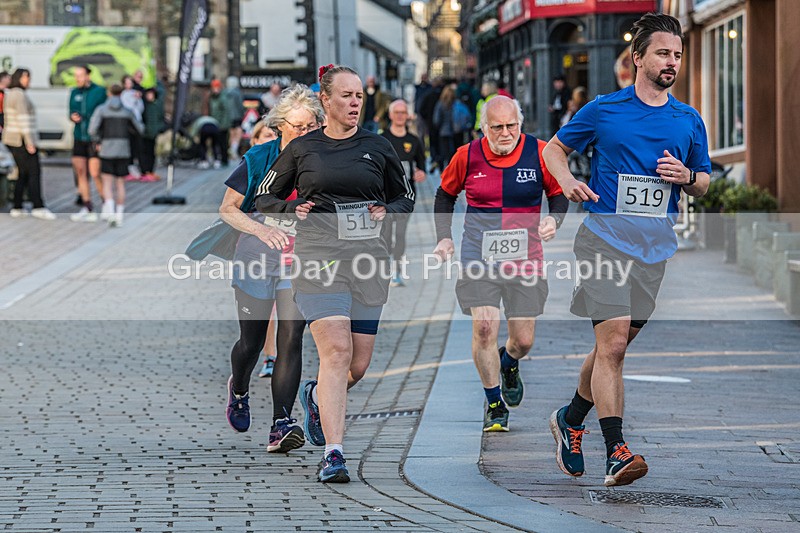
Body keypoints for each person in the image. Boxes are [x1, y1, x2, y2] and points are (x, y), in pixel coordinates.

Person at [542, 12, 711, 487]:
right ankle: (616, 450)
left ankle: (570, 419)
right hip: (604, 241)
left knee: (610, 349)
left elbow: (703, 180)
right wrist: (569, 181)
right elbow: (553, 150)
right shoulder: (604, 109)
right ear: (637, 57)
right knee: (613, 345)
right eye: (662, 52)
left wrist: (688, 178)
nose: (671, 62)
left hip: (653, 250)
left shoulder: (688, 119)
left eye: (677, 55)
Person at [254, 64, 414, 483]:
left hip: (367, 263)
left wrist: (388, 210)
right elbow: (265, 197)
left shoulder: (378, 147)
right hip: (319, 261)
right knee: (337, 351)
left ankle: (314, 395)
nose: (355, 102)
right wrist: (293, 208)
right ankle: (334, 453)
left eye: (359, 95)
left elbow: (405, 197)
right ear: (325, 100)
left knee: (355, 367)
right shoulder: (303, 149)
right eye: (346, 95)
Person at [433, 96, 567, 432]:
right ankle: (494, 403)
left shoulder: (540, 152)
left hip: (526, 260)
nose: (505, 133)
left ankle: (509, 362)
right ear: (484, 128)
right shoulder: (467, 155)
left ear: (520, 124)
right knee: (484, 327)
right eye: (497, 127)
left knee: (523, 341)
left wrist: (555, 221)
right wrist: (444, 237)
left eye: (511, 126)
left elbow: (559, 194)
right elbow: (444, 195)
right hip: (480, 256)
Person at [220, 84, 325, 453]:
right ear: (280, 126)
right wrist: (262, 228)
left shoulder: (322, 160)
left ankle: (282, 423)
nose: (305, 133)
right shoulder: (259, 157)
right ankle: (239, 387)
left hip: (299, 259)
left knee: (291, 338)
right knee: (251, 342)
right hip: (255, 254)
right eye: (297, 126)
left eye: (311, 126)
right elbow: (227, 209)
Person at [381, 99, 426, 287]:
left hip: (406, 197)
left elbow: (422, 167)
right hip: (384, 197)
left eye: (403, 112)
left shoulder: (413, 141)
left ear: (408, 116)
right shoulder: (382, 139)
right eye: (397, 112)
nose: (400, 116)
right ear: (390, 115)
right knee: (385, 234)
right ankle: (385, 269)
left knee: (400, 234)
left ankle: (397, 271)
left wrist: (419, 173)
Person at [1, 69, 56, 220]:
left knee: (22, 173)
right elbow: (23, 119)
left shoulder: (11, 93)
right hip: (21, 140)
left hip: (14, 139)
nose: (29, 80)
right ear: (20, 78)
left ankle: (17, 205)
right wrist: (30, 141)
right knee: (33, 172)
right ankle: (38, 205)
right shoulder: (19, 94)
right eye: (27, 77)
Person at [88, 83, 145, 227]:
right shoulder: (127, 111)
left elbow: (92, 130)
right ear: (121, 94)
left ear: (109, 93)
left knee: (107, 182)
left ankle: (111, 212)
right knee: (120, 184)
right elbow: (140, 128)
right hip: (123, 150)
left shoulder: (101, 110)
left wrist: (99, 139)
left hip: (106, 150)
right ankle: (119, 215)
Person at [69, 65, 107, 222]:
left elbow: (104, 116)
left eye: (80, 75)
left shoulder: (99, 92)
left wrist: (101, 138)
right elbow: (70, 111)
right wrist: (73, 117)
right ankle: (87, 206)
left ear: (88, 76)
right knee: (80, 172)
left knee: (95, 173)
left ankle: (107, 203)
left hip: (94, 138)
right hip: (79, 137)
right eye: (76, 76)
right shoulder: (74, 92)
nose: (78, 79)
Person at [120, 75, 144, 180]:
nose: (129, 85)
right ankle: (128, 168)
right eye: (127, 83)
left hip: (137, 122)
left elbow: (141, 108)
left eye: (131, 82)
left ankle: (135, 167)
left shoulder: (136, 94)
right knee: (129, 146)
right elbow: (126, 107)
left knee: (137, 146)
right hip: (128, 123)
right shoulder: (124, 95)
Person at [139, 87, 165, 182]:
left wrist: (158, 128)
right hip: (144, 132)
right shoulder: (144, 105)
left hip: (153, 133)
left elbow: (161, 118)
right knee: (143, 152)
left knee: (151, 152)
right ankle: (144, 171)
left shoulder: (157, 105)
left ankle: (150, 170)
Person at [433, 85, 459, 169]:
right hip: (456, 131)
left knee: (443, 152)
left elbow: (436, 120)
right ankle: (452, 168)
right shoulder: (456, 103)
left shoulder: (440, 104)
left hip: (443, 131)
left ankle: (443, 169)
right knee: (453, 153)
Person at [208, 79, 232, 168]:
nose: (215, 89)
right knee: (214, 142)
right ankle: (217, 159)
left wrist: (223, 125)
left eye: (217, 88)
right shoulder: (212, 97)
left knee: (223, 143)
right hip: (214, 123)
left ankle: (224, 160)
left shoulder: (223, 98)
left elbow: (225, 112)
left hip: (222, 125)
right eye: (214, 88)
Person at [225, 76, 245, 159]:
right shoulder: (237, 92)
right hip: (237, 116)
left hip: (227, 116)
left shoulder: (225, 92)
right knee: (238, 133)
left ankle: (231, 149)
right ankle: (234, 149)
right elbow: (240, 105)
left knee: (231, 134)